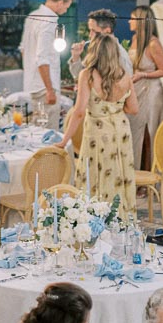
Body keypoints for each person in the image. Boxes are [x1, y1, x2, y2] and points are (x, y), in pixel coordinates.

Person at [59, 35, 138, 213]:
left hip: (97, 131)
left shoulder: (87, 75)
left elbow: (79, 112)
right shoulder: (125, 75)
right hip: (120, 130)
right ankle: (119, 220)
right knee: (118, 174)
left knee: (96, 175)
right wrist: (115, 107)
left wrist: (64, 141)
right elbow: (133, 109)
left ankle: (94, 219)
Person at [19, 0, 74, 129]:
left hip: (33, 84)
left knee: (36, 131)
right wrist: (50, 89)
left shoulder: (32, 16)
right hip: (44, 87)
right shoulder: (49, 21)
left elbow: (24, 50)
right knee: (48, 134)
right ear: (60, 2)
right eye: (66, 7)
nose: (65, 10)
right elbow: (42, 58)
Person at [128, 5, 163, 170]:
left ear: (141, 21)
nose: (129, 21)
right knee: (135, 130)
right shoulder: (135, 40)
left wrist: (143, 75)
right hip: (136, 88)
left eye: (132, 18)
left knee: (149, 132)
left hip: (151, 90)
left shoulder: (153, 44)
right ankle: (135, 171)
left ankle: (149, 172)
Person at [69, 9, 133, 81]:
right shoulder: (96, 50)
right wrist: (76, 56)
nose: (90, 35)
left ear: (107, 31)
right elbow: (79, 75)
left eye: (93, 30)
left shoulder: (120, 55)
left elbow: (127, 83)